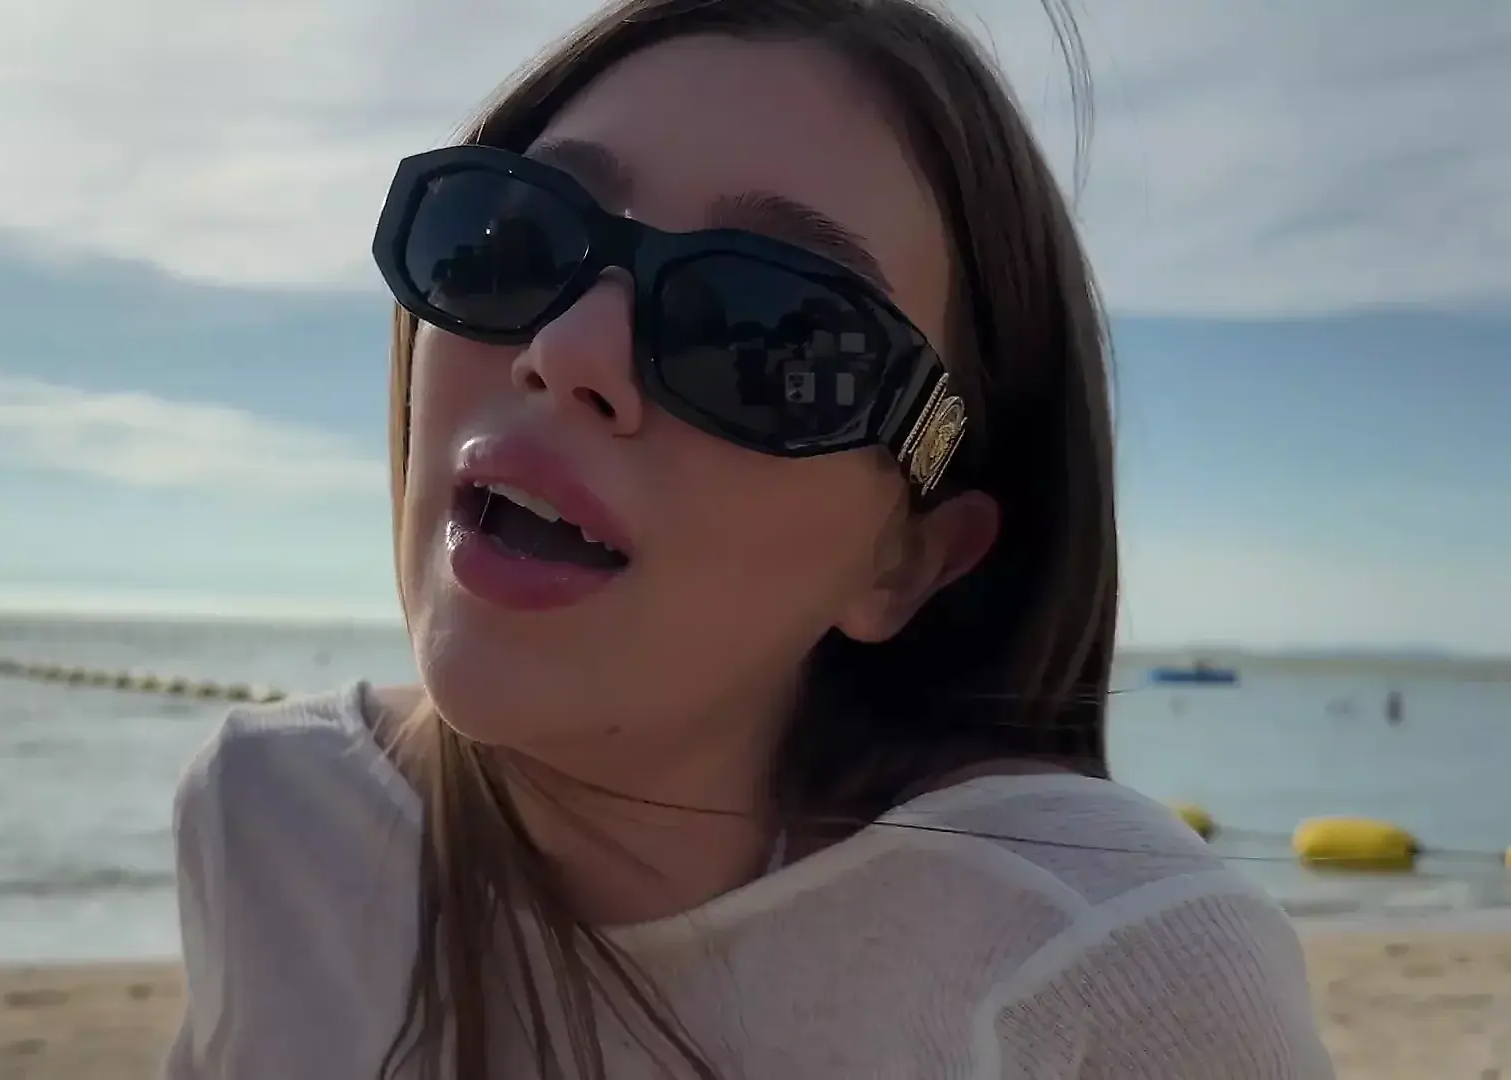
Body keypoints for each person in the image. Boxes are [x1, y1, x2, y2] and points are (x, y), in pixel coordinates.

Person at [165, 1, 1334, 1077]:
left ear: (908, 561)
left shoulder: (1104, 959)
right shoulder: (268, 813)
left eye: (769, 337)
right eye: (510, 237)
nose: (568, 352)